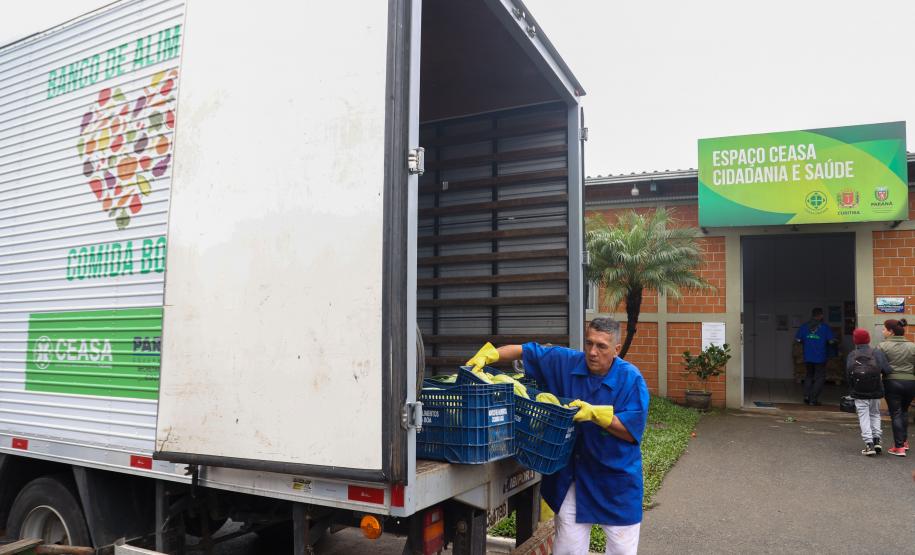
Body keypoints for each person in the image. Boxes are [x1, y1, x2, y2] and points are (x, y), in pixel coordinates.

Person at [466, 317, 649, 555]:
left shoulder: (631, 380)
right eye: (589, 343)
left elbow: (632, 431)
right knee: (568, 549)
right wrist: (489, 355)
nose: (592, 352)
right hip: (572, 478)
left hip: (615, 482)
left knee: (622, 551)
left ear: (616, 349)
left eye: (601, 346)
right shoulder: (565, 362)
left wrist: (596, 414)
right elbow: (524, 350)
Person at [845, 328, 890, 456]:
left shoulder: (852, 355)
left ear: (855, 340)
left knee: (863, 416)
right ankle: (877, 441)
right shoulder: (877, 353)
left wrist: (853, 389)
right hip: (875, 390)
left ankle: (869, 444)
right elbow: (887, 370)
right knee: (875, 414)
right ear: (868, 339)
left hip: (859, 391)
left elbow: (848, 375)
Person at [875, 318, 915, 457]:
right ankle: (904, 441)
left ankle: (899, 447)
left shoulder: (882, 346)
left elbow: (880, 366)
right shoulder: (912, 346)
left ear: (891, 331)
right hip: (910, 382)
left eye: (884, 329)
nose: (883, 331)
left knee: (896, 413)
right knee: (904, 411)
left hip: (892, 382)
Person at [794, 307, 837, 405]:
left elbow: (798, 340)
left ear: (812, 315)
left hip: (808, 356)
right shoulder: (825, 327)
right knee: (820, 378)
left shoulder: (804, 326)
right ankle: (813, 399)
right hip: (820, 357)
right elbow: (831, 341)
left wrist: (806, 341)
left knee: (809, 376)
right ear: (821, 315)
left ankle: (806, 396)